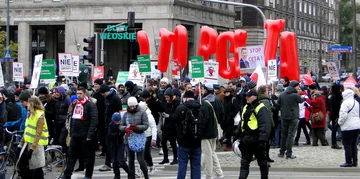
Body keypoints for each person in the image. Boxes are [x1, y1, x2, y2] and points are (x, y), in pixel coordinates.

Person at [234, 90, 271, 179]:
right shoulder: (246, 107)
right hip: (246, 140)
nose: (246, 97)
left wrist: (262, 140)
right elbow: (242, 122)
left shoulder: (261, 108)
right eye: (246, 96)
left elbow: (265, 125)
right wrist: (237, 134)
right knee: (244, 163)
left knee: (262, 162)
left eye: (249, 96)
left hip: (257, 139)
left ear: (254, 96)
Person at [62, 87, 98, 179]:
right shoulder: (75, 104)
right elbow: (72, 119)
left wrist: (90, 135)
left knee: (88, 157)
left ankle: (88, 175)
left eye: (80, 93)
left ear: (85, 94)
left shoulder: (90, 105)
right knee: (71, 155)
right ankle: (67, 174)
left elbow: (94, 120)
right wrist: (71, 132)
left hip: (85, 135)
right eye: (77, 93)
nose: (78, 95)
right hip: (75, 135)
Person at [173, 90, 202, 179]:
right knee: (196, 165)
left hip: (183, 141)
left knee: (182, 164)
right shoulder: (200, 107)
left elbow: (174, 120)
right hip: (197, 141)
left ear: (185, 98)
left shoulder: (180, 108)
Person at [17, 97, 48, 179]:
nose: (27, 105)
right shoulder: (30, 114)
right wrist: (21, 144)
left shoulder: (39, 116)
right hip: (28, 143)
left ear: (32, 105)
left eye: (28, 103)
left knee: (36, 168)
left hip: (37, 145)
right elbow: (27, 131)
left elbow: (38, 134)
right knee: (23, 165)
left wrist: (31, 149)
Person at [119, 97, 149, 179]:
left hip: (139, 139)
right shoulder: (125, 114)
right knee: (130, 160)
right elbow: (121, 126)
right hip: (129, 139)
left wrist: (136, 127)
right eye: (130, 106)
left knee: (141, 160)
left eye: (133, 106)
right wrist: (125, 128)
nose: (132, 108)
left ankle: (146, 175)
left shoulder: (142, 113)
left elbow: (146, 125)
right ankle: (131, 177)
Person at [201, 84, 224, 179]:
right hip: (214, 130)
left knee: (207, 154)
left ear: (206, 90)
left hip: (206, 132)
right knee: (212, 153)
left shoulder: (204, 103)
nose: (201, 90)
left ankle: (208, 175)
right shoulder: (217, 101)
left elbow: (204, 119)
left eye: (202, 89)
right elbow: (222, 114)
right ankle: (219, 173)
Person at [277, 80, 304, 159]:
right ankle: (289, 153)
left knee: (283, 135)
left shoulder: (282, 95)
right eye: (297, 86)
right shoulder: (295, 95)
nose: (298, 87)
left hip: (284, 117)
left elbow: (278, 105)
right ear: (294, 87)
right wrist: (299, 93)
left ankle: (282, 152)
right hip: (293, 117)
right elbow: (301, 100)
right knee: (291, 135)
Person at [99, 84, 122, 172]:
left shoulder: (115, 98)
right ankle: (109, 162)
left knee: (114, 144)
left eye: (103, 93)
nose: (102, 95)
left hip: (114, 125)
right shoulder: (107, 98)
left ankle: (114, 162)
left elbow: (120, 111)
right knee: (108, 144)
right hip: (108, 124)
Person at [338, 88, 360, 167]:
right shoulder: (356, 102)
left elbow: (343, 115)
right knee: (354, 144)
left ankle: (348, 161)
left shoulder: (345, 103)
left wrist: (339, 123)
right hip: (357, 125)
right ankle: (355, 161)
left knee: (347, 144)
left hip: (348, 126)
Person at [159, 88, 179, 165]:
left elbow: (176, 115)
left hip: (173, 127)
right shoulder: (166, 103)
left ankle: (175, 158)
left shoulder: (176, 103)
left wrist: (169, 116)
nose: (166, 99)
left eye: (167, 97)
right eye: (165, 97)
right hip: (166, 125)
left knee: (173, 143)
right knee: (163, 142)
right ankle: (165, 158)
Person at [108, 112, 129, 179]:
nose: (117, 123)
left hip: (120, 143)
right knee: (114, 162)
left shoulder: (122, 124)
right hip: (113, 144)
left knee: (121, 160)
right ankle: (117, 175)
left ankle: (130, 172)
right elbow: (110, 135)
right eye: (116, 121)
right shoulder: (111, 125)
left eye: (118, 121)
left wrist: (121, 133)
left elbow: (123, 132)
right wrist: (118, 133)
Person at [139, 101, 157, 175]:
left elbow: (153, 127)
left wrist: (154, 138)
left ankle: (150, 166)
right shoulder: (141, 114)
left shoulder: (149, 116)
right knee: (142, 154)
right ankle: (144, 168)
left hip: (148, 136)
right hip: (142, 136)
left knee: (145, 153)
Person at [257, 85, 275, 162]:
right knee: (266, 142)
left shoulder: (258, 99)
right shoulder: (265, 100)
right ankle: (265, 156)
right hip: (266, 124)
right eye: (267, 91)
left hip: (259, 123)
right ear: (264, 92)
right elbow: (268, 114)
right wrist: (272, 124)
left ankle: (260, 156)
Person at [91, 79, 107, 157]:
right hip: (96, 117)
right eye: (94, 84)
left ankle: (104, 150)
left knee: (103, 134)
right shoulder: (95, 94)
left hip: (102, 117)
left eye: (97, 84)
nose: (95, 85)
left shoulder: (103, 95)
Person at [53, 86, 70, 152]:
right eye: (55, 92)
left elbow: (70, 110)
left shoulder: (67, 99)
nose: (56, 93)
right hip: (57, 123)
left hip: (64, 123)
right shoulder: (55, 100)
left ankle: (65, 153)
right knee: (56, 140)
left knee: (62, 140)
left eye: (58, 92)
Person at [329, 84, 343, 149]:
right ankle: (334, 143)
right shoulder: (338, 96)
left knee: (334, 130)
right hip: (337, 114)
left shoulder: (332, 96)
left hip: (333, 114)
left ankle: (333, 142)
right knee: (337, 128)